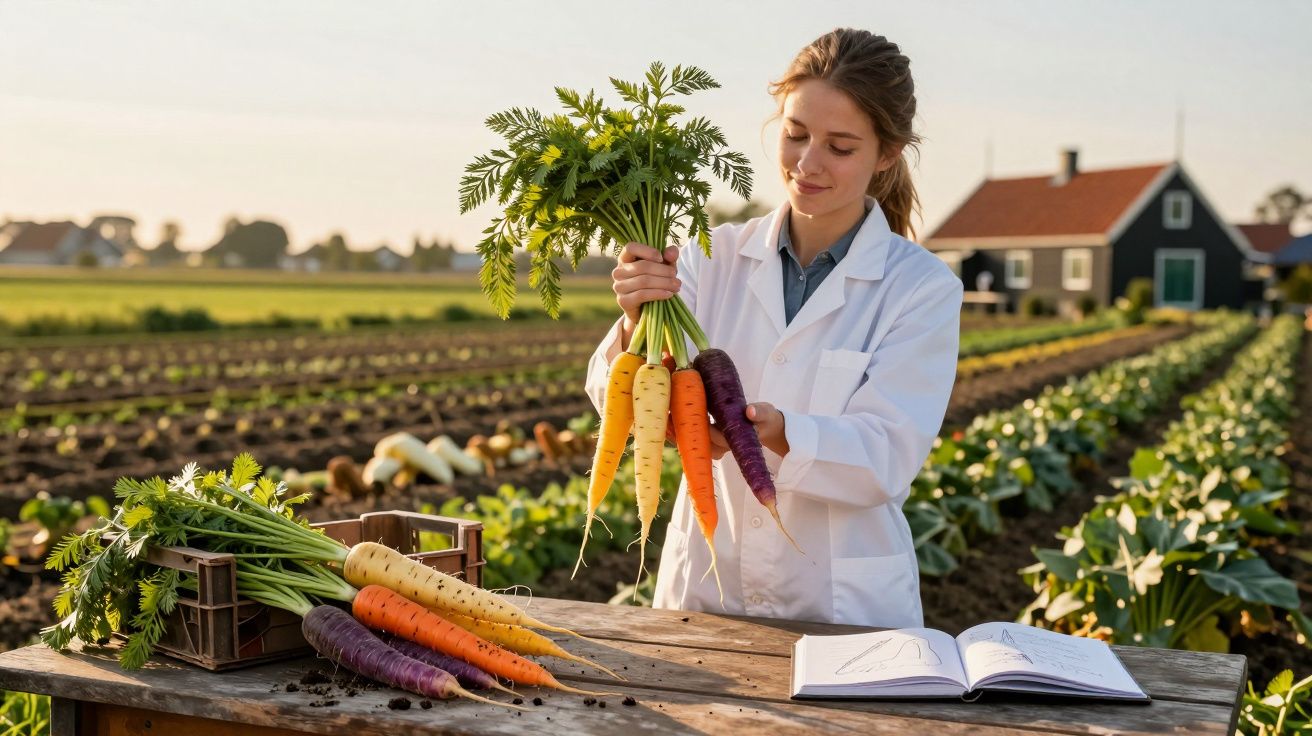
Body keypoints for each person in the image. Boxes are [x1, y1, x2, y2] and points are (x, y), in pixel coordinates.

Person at [584, 28, 962, 628]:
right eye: (796, 135)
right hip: (707, 592)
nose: (808, 164)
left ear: (887, 154)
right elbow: (619, 400)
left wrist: (776, 433)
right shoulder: (711, 255)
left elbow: (887, 457)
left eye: (840, 147)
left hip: (844, 607)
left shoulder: (920, 288)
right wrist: (637, 323)